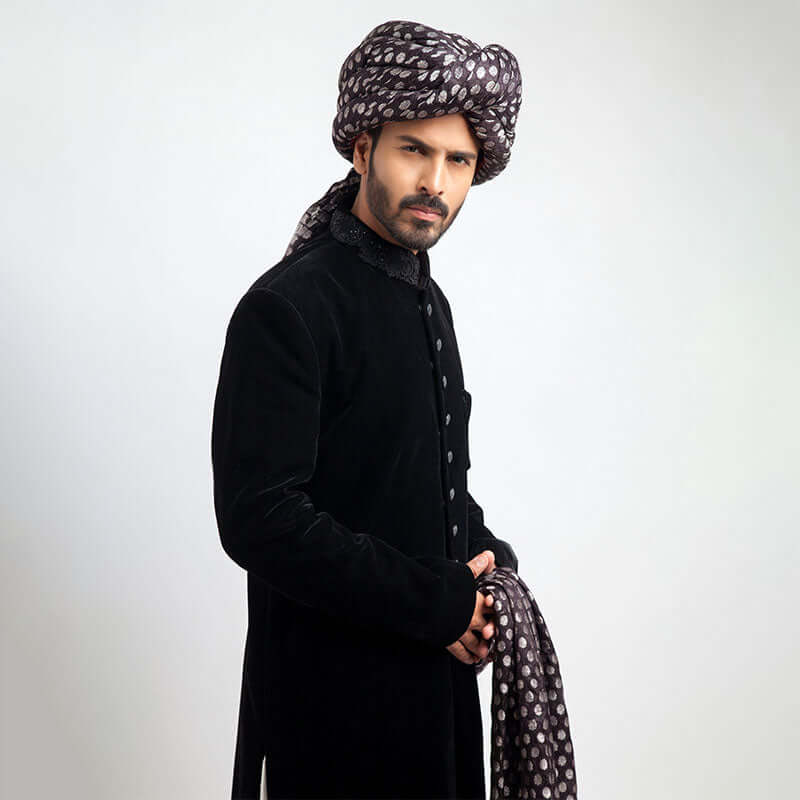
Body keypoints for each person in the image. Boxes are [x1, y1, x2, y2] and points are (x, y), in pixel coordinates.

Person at [211, 19, 523, 800]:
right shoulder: (289, 307)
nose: (436, 182)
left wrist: (487, 564)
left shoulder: (427, 302)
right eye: (414, 149)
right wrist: (436, 602)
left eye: (458, 160)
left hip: (432, 699)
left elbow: (422, 479)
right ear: (362, 149)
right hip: (329, 711)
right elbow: (259, 518)